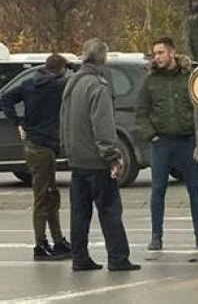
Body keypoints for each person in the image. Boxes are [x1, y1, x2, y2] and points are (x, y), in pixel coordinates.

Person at [60, 38, 140, 271]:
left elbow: (64, 120)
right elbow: (103, 126)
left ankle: (80, 257)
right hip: (97, 161)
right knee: (110, 210)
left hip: (77, 160)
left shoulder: (71, 84)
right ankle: (118, 257)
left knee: (79, 212)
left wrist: (67, 149)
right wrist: (112, 157)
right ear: (103, 58)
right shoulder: (99, 86)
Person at [137, 37, 198, 250]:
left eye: (160, 53)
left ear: (172, 53)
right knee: (158, 189)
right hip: (162, 142)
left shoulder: (188, 78)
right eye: (154, 54)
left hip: (187, 140)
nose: (156, 57)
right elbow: (141, 113)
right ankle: (156, 236)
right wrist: (151, 134)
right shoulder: (150, 82)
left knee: (195, 189)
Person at [0, 54, 72, 261]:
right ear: (61, 69)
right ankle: (40, 245)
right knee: (45, 196)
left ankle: (57, 240)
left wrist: (18, 121)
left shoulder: (29, 83)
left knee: (48, 193)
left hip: (33, 142)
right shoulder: (58, 86)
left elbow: (4, 98)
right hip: (45, 145)